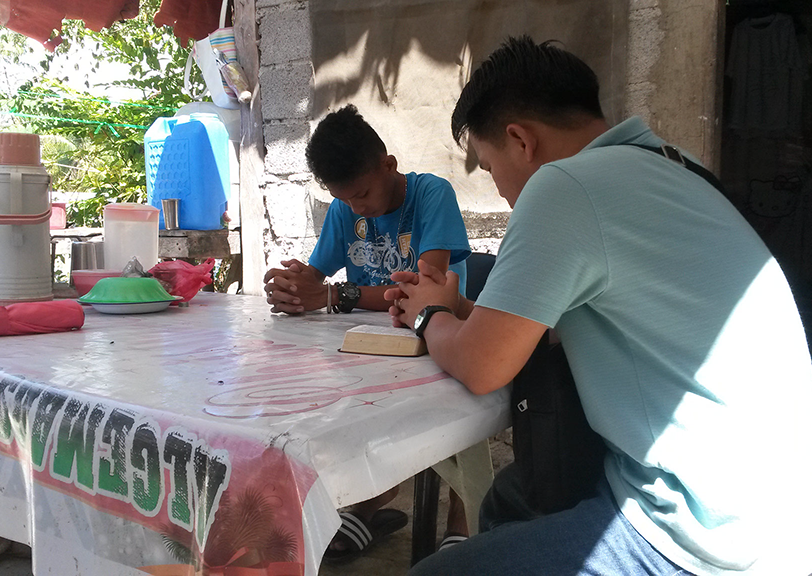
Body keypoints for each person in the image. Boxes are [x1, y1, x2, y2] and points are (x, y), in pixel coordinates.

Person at [387, 36, 812, 575]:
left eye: (490, 168)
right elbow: (552, 326)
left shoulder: (565, 186)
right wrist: (459, 310)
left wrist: (429, 316)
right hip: (781, 499)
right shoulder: (674, 166)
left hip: (705, 526)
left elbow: (481, 365)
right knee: (508, 499)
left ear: (521, 140)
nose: (500, 192)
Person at [263, 104, 472, 562]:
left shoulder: (431, 194)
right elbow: (316, 278)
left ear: (388, 165)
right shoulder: (346, 210)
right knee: (343, 402)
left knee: (464, 404)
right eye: (344, 200)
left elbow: (427, 289)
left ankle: (463, 517)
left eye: (361, 194)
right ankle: (374, 496)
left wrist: (335, 295)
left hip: (434, 336)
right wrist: (291, 287)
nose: (356, 208)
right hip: (370, 345)